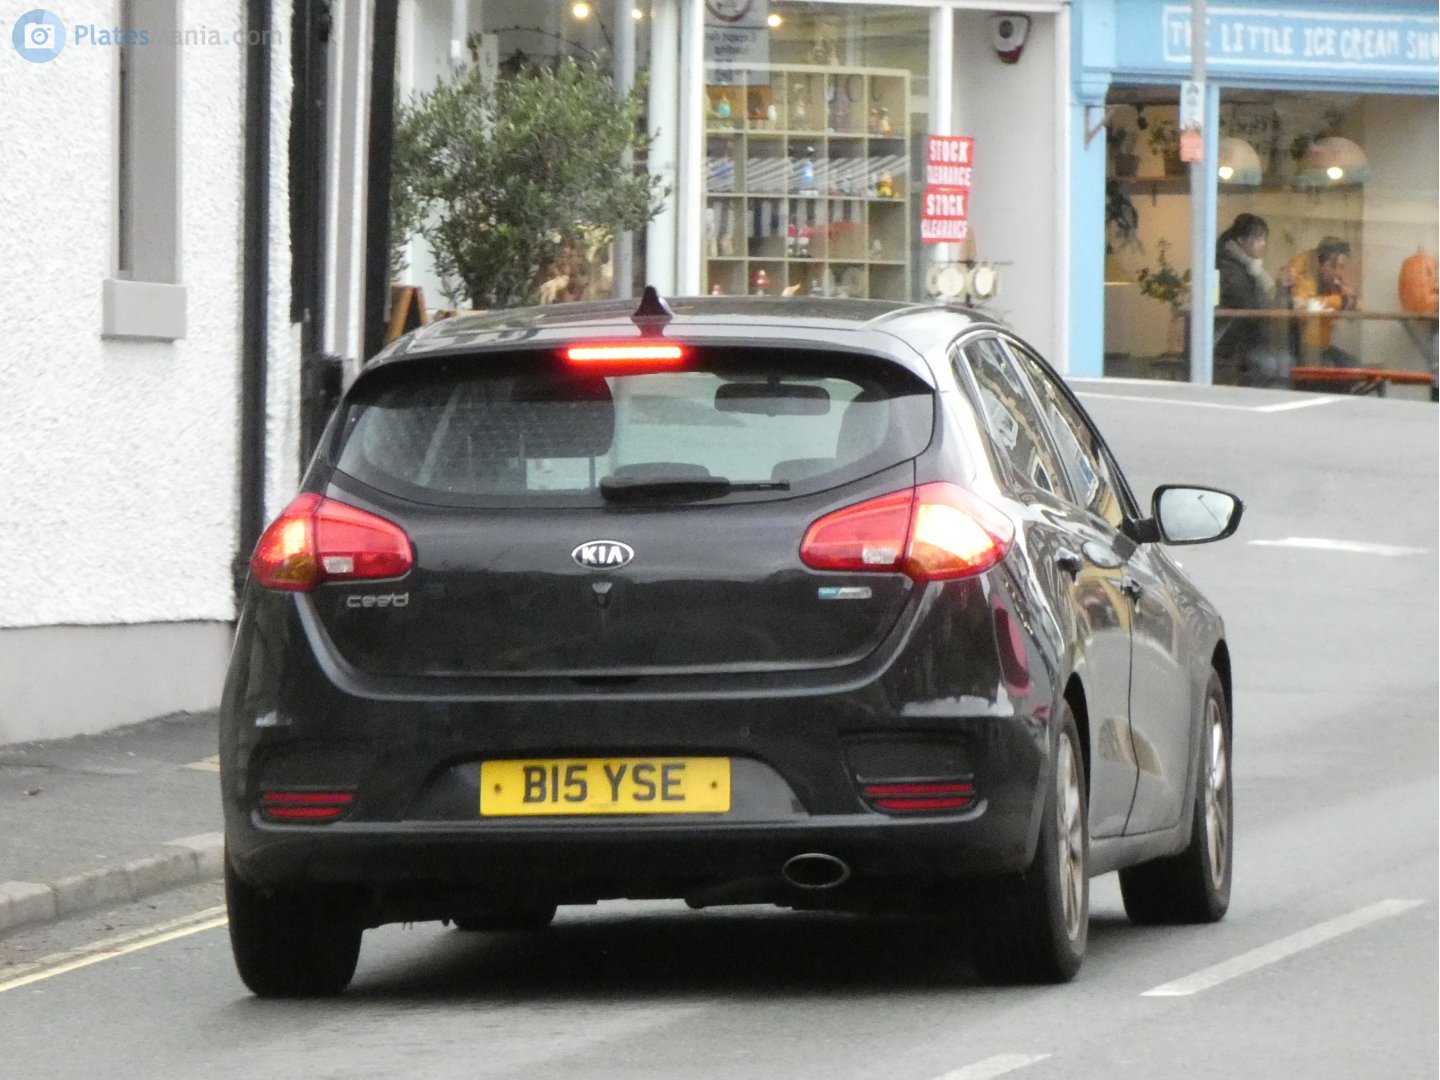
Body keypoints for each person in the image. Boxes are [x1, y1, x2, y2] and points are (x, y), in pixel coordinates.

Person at [1214, 213, 1294, 387]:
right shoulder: (1230, 268)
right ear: (1242, 240)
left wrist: (1284, 288)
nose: (1263, 245)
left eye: (1264, 239)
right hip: (1233, 343)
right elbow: (1250, 306)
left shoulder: (1252, 268)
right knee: (1273, 364)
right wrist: (1281, 288)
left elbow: (1265, 305)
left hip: (1252, 339)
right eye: (1258, 239)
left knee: (1284, 361)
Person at [1284, 236, 1359, 366]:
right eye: (1335, 266)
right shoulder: (1302, 275)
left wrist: (1352, 300)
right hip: (1297, 348)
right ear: (1322, 263)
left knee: (1354, 366)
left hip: (1322, 347)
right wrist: (1339, 301)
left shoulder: (1335, 281)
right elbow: (1304, 309)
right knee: (1328, 369)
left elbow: (1356, 310)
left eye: (1342, 267)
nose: (1338, 272)